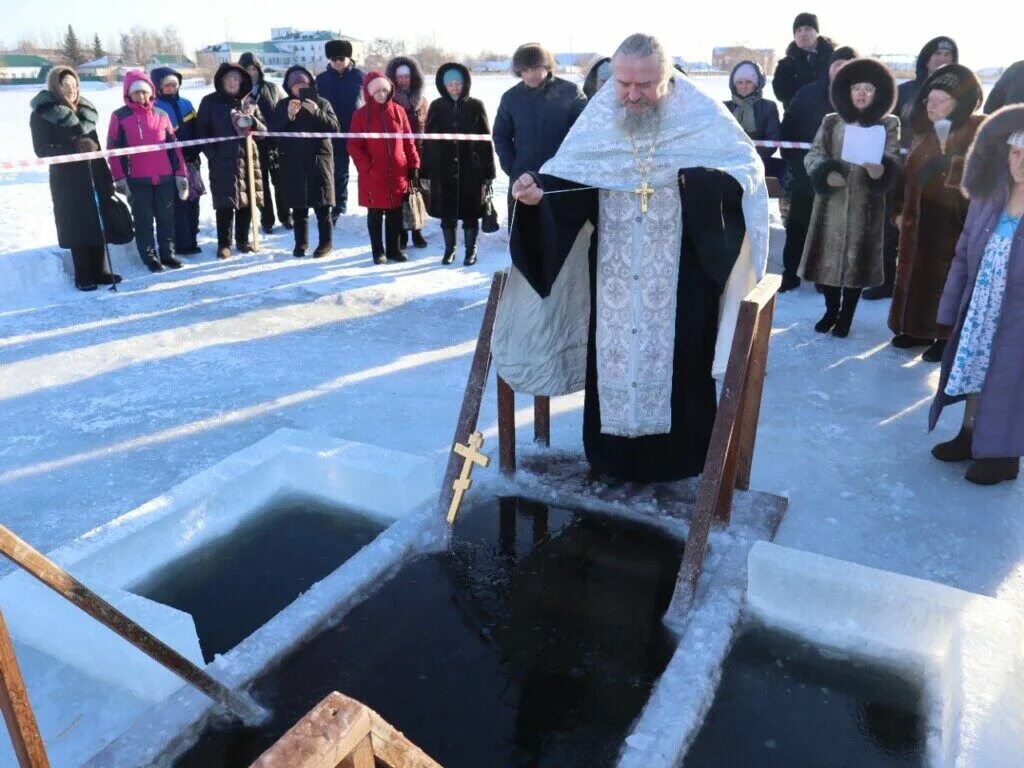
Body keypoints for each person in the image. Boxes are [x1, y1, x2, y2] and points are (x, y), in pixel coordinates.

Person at [503, 33, 768, 483]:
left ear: (668, 78)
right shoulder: (600, 119)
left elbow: (746, 171)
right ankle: (612, 460)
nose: (631, 95)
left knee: (684, 360)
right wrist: (536, 199)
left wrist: (699, 183)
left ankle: (681, 459)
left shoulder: (701, 118)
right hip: (614, 276)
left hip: (683, 277)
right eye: (623, 83)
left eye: (645, 85)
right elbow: (569, 184)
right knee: (614, 360)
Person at [929, 105, 1024, 486]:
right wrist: (951, 305)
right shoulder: (990, 197)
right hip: (982, 305)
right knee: (974, 369)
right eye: (1016, 152)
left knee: (1008, 381)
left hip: (1017, 314)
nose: (1022, 162)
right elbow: (964, 249)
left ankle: (1003, 455)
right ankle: (971, 436)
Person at [800, 58, 900, 338]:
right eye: (857, 87)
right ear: (847, 91)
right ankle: (831, 309)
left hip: (866, 207)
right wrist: (823, 172)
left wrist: (881, 169)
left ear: (878, 93)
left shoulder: (889, 123)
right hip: (831, 203)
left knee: (858, 262)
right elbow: (815, 153)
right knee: (828, 260)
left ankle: (846, 315)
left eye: (869, 88)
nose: (862, 93)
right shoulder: (831, 121)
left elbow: (892, 155)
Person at [889, 65, 984, 362]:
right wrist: (898, 212)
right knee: (915, 274)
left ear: (959, 104)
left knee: (945, 281)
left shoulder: (975, 133)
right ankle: (916, 328)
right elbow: (907, 178)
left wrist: (950, 165)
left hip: (952, 228)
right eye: (929, 100)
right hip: (918, 225)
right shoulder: (925, 134)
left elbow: (980, 182)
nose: (932, 106)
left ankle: (945, 336)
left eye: (940, 101)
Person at [30, 66, 121, 290]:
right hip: (67, 179)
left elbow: (96, 147)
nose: (71, 90)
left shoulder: (86, 111)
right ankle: (83, 274)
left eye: (74, 85)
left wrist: (106, 175)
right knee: (76, 223)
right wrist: (74, 147)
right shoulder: (43, 114)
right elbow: (41, 149)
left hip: (94, 173)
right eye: (66, 86)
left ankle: (100, 271)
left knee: (97, 220)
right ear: (55, 87)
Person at [779, 46, 859, 292]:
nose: (841, 69)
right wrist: (796, 165)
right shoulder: (808, 94)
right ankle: (790, 274)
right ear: (829, 67)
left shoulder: (861, 98)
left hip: (842, 179)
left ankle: (824, 277)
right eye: (837, 64)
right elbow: (788, 132)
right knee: (797, 226)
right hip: (806, 175)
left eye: (848, 64)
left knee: (832, 230)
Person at [493, 42, 587, 218]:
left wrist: (571, 166)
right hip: (522, 178)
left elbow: (585, 131)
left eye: (535, 68)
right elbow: (501, 135)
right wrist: (512, 167)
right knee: (524, 235)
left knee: (560, 234)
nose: (530, 75)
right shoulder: (510, 98)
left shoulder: (569, 92)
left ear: (546, 65)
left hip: (560, 178)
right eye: (524, 70)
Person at [106, 71, 188, 273]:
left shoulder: (161, 114)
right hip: (137, 179)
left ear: (151, 92)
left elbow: (173, 147)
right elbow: (113, 149)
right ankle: (150, 257)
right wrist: (119, 177)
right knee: (143, 220)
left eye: (144, 92)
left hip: (165, 177)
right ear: (128, 94)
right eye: (136, 93)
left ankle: (168, 254)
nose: (141, 97)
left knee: (166, 218)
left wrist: (180, 174)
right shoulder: (120, 116)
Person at [421, 63, 495, 266]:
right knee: (447, 213)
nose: (454, 88)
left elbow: (485, 140)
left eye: (458, 83)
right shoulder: (436, 106)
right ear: (443, 85)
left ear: (465, 84)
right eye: (450, 84)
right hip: (443, 169)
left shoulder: (476, 105)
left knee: (471, 213)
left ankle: (471, 251)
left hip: (471, 169)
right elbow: (428, 140)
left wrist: (488, 172)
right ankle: (449, 249)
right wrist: (425, 171)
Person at [349, 72, 420, 265]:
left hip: (398, 173)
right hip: (373, 175)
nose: (381, 94)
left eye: (384, 90)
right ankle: (377, 252)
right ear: (369, 93)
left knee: (395, 214)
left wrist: (413, 165)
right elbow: (354, 146)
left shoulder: (398, 111)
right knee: (375, 214)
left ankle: (394, 250)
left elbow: (408, 141)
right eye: (376, 91)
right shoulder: (360, 115)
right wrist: (368, 168)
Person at [271, 65, 340, 258]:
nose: (299, 88)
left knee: (322, 205)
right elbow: (273, 130)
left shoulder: (322, 102)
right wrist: (289, 115)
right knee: (298, 206)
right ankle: (300, 244)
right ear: (289, 87)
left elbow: (334, 128)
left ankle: (325, 243)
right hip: (292, 162)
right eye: (295, 85)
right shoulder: (283, 104)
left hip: (319, 160)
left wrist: (317, 111)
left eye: (303, 84)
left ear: (310, 84)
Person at [197, 62, 264, 260]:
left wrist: (253, 122)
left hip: (248, 160)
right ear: (221, 81)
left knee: (246, 201)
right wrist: (213, 154)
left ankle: (242, 240)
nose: (233, 82)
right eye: (229, 79)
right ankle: (224, 244)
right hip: (222, 161)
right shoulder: (210, 102)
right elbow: (202, 131)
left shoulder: (249, 103)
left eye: (237, 79)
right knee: (225, 203)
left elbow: (263, 132)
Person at [152, 65, 203, 256]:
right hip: (170, 164)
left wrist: (197, 149)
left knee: (193, 200)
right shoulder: (156, 108)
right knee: (178, 202)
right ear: (158, 87)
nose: (171, 88)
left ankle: (192, 236)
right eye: (166, 86)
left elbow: (199, 130)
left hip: (191, 161)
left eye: (174, 84)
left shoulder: (187, 104)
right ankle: (181, 242)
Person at [238, 52, 289, 233]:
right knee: (261, 185)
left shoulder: (273, 88)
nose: (251, 73)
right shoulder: (238, 92)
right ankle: (267, 220)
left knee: (281, 182)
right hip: (253, 145)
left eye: (254, 69)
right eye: (247, 69)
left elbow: (284, 110)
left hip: (275, 143)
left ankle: (286, 216)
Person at [316, 39, 365, 225]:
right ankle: (339, 208)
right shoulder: (321, 80)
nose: (337, 62)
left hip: (358, 133)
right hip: (334, 133)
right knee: (339, 173)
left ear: (349, 58)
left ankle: (375, 205)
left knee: (367, 170)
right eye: (333, 58)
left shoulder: (362, 77)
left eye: (341, 58)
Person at [386, 55, 429, 250]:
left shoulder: (423, 102)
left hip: (418, 154)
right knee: (399, 196)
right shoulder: (388, 103)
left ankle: (417, 232)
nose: (403, 80)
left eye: (407, 76)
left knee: (416, 194)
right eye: (400, 76)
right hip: (395, 156)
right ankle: (401, 235)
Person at [895, 37, 958, 151]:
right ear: (926, 61)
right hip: (905, 158)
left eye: (947, 54)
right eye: (937, 53)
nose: (942, 59)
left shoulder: (963, 93)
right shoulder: (903, 91)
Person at [723, 60, 782, 174]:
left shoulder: (768, 107)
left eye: (748, 82)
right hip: (727, 163)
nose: (744, 86)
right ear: (734, 85)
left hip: (758, 164)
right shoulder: (725, 107)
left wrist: (750, 157)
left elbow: (773, 139)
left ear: (756, 84)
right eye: (739, 82)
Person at [772, 13, 836, 110]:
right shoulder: (786, 64)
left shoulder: (834, 60)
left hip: (830, 119)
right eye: (798, 30)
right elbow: (780, 93)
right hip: (797, 120)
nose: (803, 34)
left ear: (817, 33)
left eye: (808, 29)